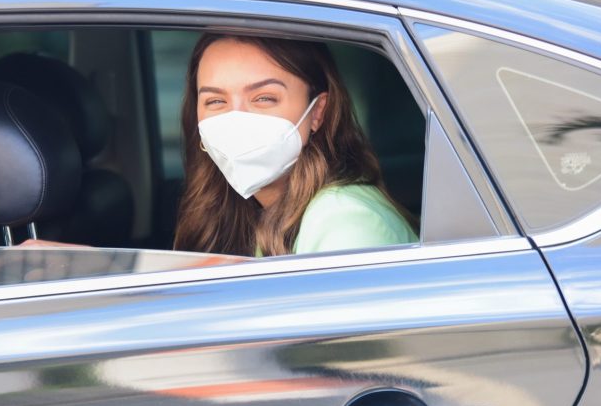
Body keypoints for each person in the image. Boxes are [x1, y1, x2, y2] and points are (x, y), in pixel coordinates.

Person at [173, 33, 418, 257]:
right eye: (215, 101)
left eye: (264, 98)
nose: (236, 118)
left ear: (317, 112)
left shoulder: (344, 221)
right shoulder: (250, 211)